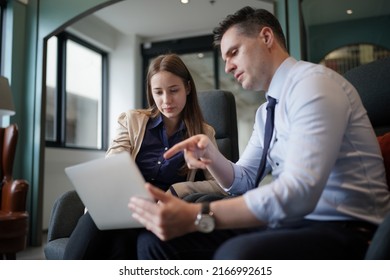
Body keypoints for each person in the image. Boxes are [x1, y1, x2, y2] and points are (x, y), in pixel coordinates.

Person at [128, 6, 390, 260]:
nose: (228, 67)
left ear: (266, 37)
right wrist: (212, 154)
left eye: (234, 52)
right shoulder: (266, 112)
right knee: (155, 243)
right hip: (290, 222)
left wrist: (198, 215)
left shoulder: (313, 84)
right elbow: (243, 181)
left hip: (345, 226)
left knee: (235, 256)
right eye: (225, 59)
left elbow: (299, 193)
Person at [63, 53, 226, 259]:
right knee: (97, 224)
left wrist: (177, 190)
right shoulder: (131, 121)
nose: (166, 100)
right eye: (158, 92)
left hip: (161, 213)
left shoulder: (204, 133)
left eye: (173, 90)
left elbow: (221, 186)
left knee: (122, 246)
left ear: (187, 87)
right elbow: (112, 166)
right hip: (126, 207)